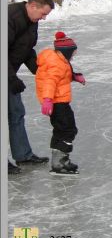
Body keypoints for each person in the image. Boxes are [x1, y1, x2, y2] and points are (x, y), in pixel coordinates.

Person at [8, 0, 54, 175]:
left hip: (8, 72)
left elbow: (26, 48)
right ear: (33, 6)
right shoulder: (10, 17)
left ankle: (23, 155)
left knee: (16, 112)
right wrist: (11, 79)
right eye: (42, 14)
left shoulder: (31, 22)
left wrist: (40, 70)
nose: (43, 19)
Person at [36, 32, 86, 175]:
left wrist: (75, 77)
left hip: (59, 101)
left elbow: (62, 77)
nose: (74, 55)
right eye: (73, 52)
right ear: (66, 51)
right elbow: (50, 82)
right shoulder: (57, 64)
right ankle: (60, 162)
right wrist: (47, 100)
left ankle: (59, 161)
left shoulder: (59, 60)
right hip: (57, 102)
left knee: (61, 130)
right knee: (68, 130)